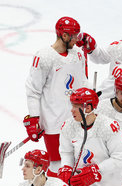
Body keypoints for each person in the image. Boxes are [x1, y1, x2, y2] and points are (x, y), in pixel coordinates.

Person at [24, 16, 93, 176]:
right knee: (57, 164)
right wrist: (34, 118)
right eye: (74, 35)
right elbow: (33, 90)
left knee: (78, 160)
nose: (77, 39)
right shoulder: (44, 57)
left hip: (77, 118)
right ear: (64, 36)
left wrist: (92, 95)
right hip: (53, 123)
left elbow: (82, 81)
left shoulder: (78, 54)